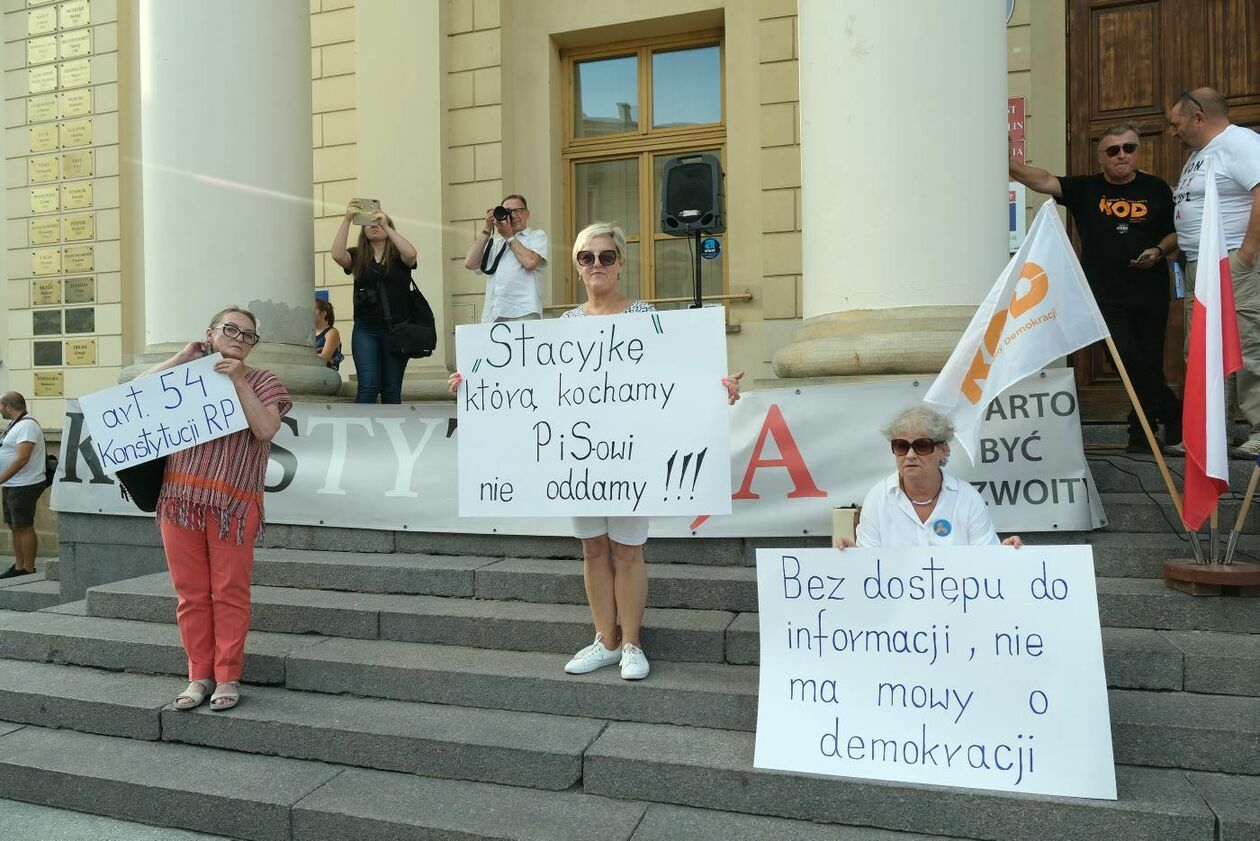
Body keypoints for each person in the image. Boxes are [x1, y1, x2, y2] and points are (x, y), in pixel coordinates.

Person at [449, 222, 742, 681]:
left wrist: (714, 390)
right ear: (577, 267)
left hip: (633, 456)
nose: (597, 265)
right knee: (591, 548)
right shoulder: (566, 327)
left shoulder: (645, 317)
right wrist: (476, 385)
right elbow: (535, 388)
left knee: (627, 551)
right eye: (587, 258)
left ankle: (631, 643)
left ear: (621, 263)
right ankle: (604, 639)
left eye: (606, 257)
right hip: (578, 458)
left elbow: (678, 376)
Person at [145, 307, 292, 711]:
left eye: (248, 335)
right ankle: (198, 675)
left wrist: (240, 379)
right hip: (181, 500)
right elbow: (132, 398)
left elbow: (265, 429)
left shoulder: (264, 380)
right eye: (231, 329)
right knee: (190, 594)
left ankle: (227, 675)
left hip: (233, 503)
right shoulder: (186, 375)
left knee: (230, 592)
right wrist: (179, 359)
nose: (240, 338)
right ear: (209, 332)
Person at [1010, 123, 1180, 453]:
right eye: (1113, 150)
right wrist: (1006, 162)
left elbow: (1174, 233)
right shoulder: (1087, 188)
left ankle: (1141, 435)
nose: (1121, 156)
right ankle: (1174, 411)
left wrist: (1159, 251)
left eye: (1129, 148)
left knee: (1147, 363)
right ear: (1100, 157)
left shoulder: (1157, 189)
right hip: (1103, 295)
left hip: (1150, 293)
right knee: (1126, 360)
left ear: (1138, 151)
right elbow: (1043, 180)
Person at [1168, 88, 1260, 456]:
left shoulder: (1239, 143)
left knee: (1249, 344)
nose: (1172, 132)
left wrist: (1247, 254)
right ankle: (1209, 435)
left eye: (1176, 124)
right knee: (1203, 352)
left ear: (1199, 118)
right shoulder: (1197, 156)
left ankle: (1258, 430)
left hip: (1232, 263)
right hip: (1199, 266)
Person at [836, 406, 1022, 549]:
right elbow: (867, 566)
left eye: (922, 446)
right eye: (901, 446)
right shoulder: (878, 498)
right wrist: (853, 557)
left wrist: (1004, 555)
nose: (910, 455)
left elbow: (987, 561)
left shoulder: (967, 498)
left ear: (943, 450)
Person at [331, 200, 420, 404]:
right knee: (368, 385)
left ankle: (390, 434)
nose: (374, 226)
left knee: (391, 389)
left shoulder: (399, 256)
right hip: (366, 330)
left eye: (378, 222)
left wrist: (386, 224)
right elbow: (337, 255)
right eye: (369, 223)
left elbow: (412, 254)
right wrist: (347, 219)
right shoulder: (358, 255)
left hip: (397, 329)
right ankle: (361, 432)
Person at [462, 193, 548, 322]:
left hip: (525, 313)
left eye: (517, 211)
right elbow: (470, 263)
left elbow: (530, 262)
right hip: (494, 314)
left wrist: (509, 236)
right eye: (508, 211)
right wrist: (487, 229)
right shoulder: (496, 243)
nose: (513, 215)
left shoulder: (536, 236)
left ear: (527, 214)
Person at [0, 393, 47, 578]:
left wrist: (1, 478)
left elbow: (22, 458)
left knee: (24, 525)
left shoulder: (27, 425)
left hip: (24, 483)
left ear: (9, 406)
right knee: (13, 525)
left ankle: (27, 568)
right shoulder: (16, 424)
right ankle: (19, 566)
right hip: (12, 483)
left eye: (1, 406)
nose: (0, 410)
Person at [314, 297, 343, 371]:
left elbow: (324, 357)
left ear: (323, 314)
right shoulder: (309, 333)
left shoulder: (331, 332)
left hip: (327, 374)